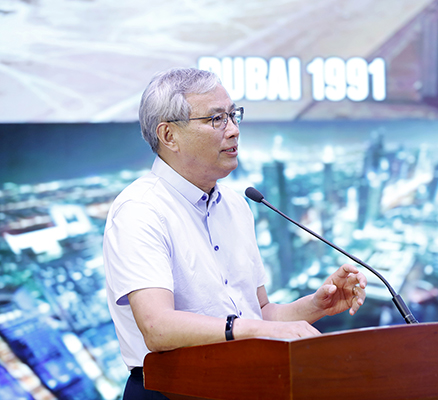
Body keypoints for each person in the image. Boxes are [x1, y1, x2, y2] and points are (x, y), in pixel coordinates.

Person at [103, 67, 368, 399]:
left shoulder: (237, 204)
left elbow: (259, 314)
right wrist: (247, 328)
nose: (233, 130)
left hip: (242, 385)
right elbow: (158, 327)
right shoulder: (140, 210)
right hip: (171, 390)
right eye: (216, 119)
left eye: (233, 115)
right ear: (169, 135)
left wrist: (316, 305)